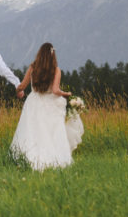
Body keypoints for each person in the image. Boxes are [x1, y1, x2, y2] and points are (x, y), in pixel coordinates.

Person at [9, 42, 84, 170]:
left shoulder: (33, 67)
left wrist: (18, 91)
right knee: (51, 132)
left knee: (33, 130)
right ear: (52, 55)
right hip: (50, 104)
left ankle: (28, 157)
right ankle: (54, 159)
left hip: (34, 102)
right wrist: (66, 93)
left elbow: (22, 86)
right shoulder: (56, 70)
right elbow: (55, 90)